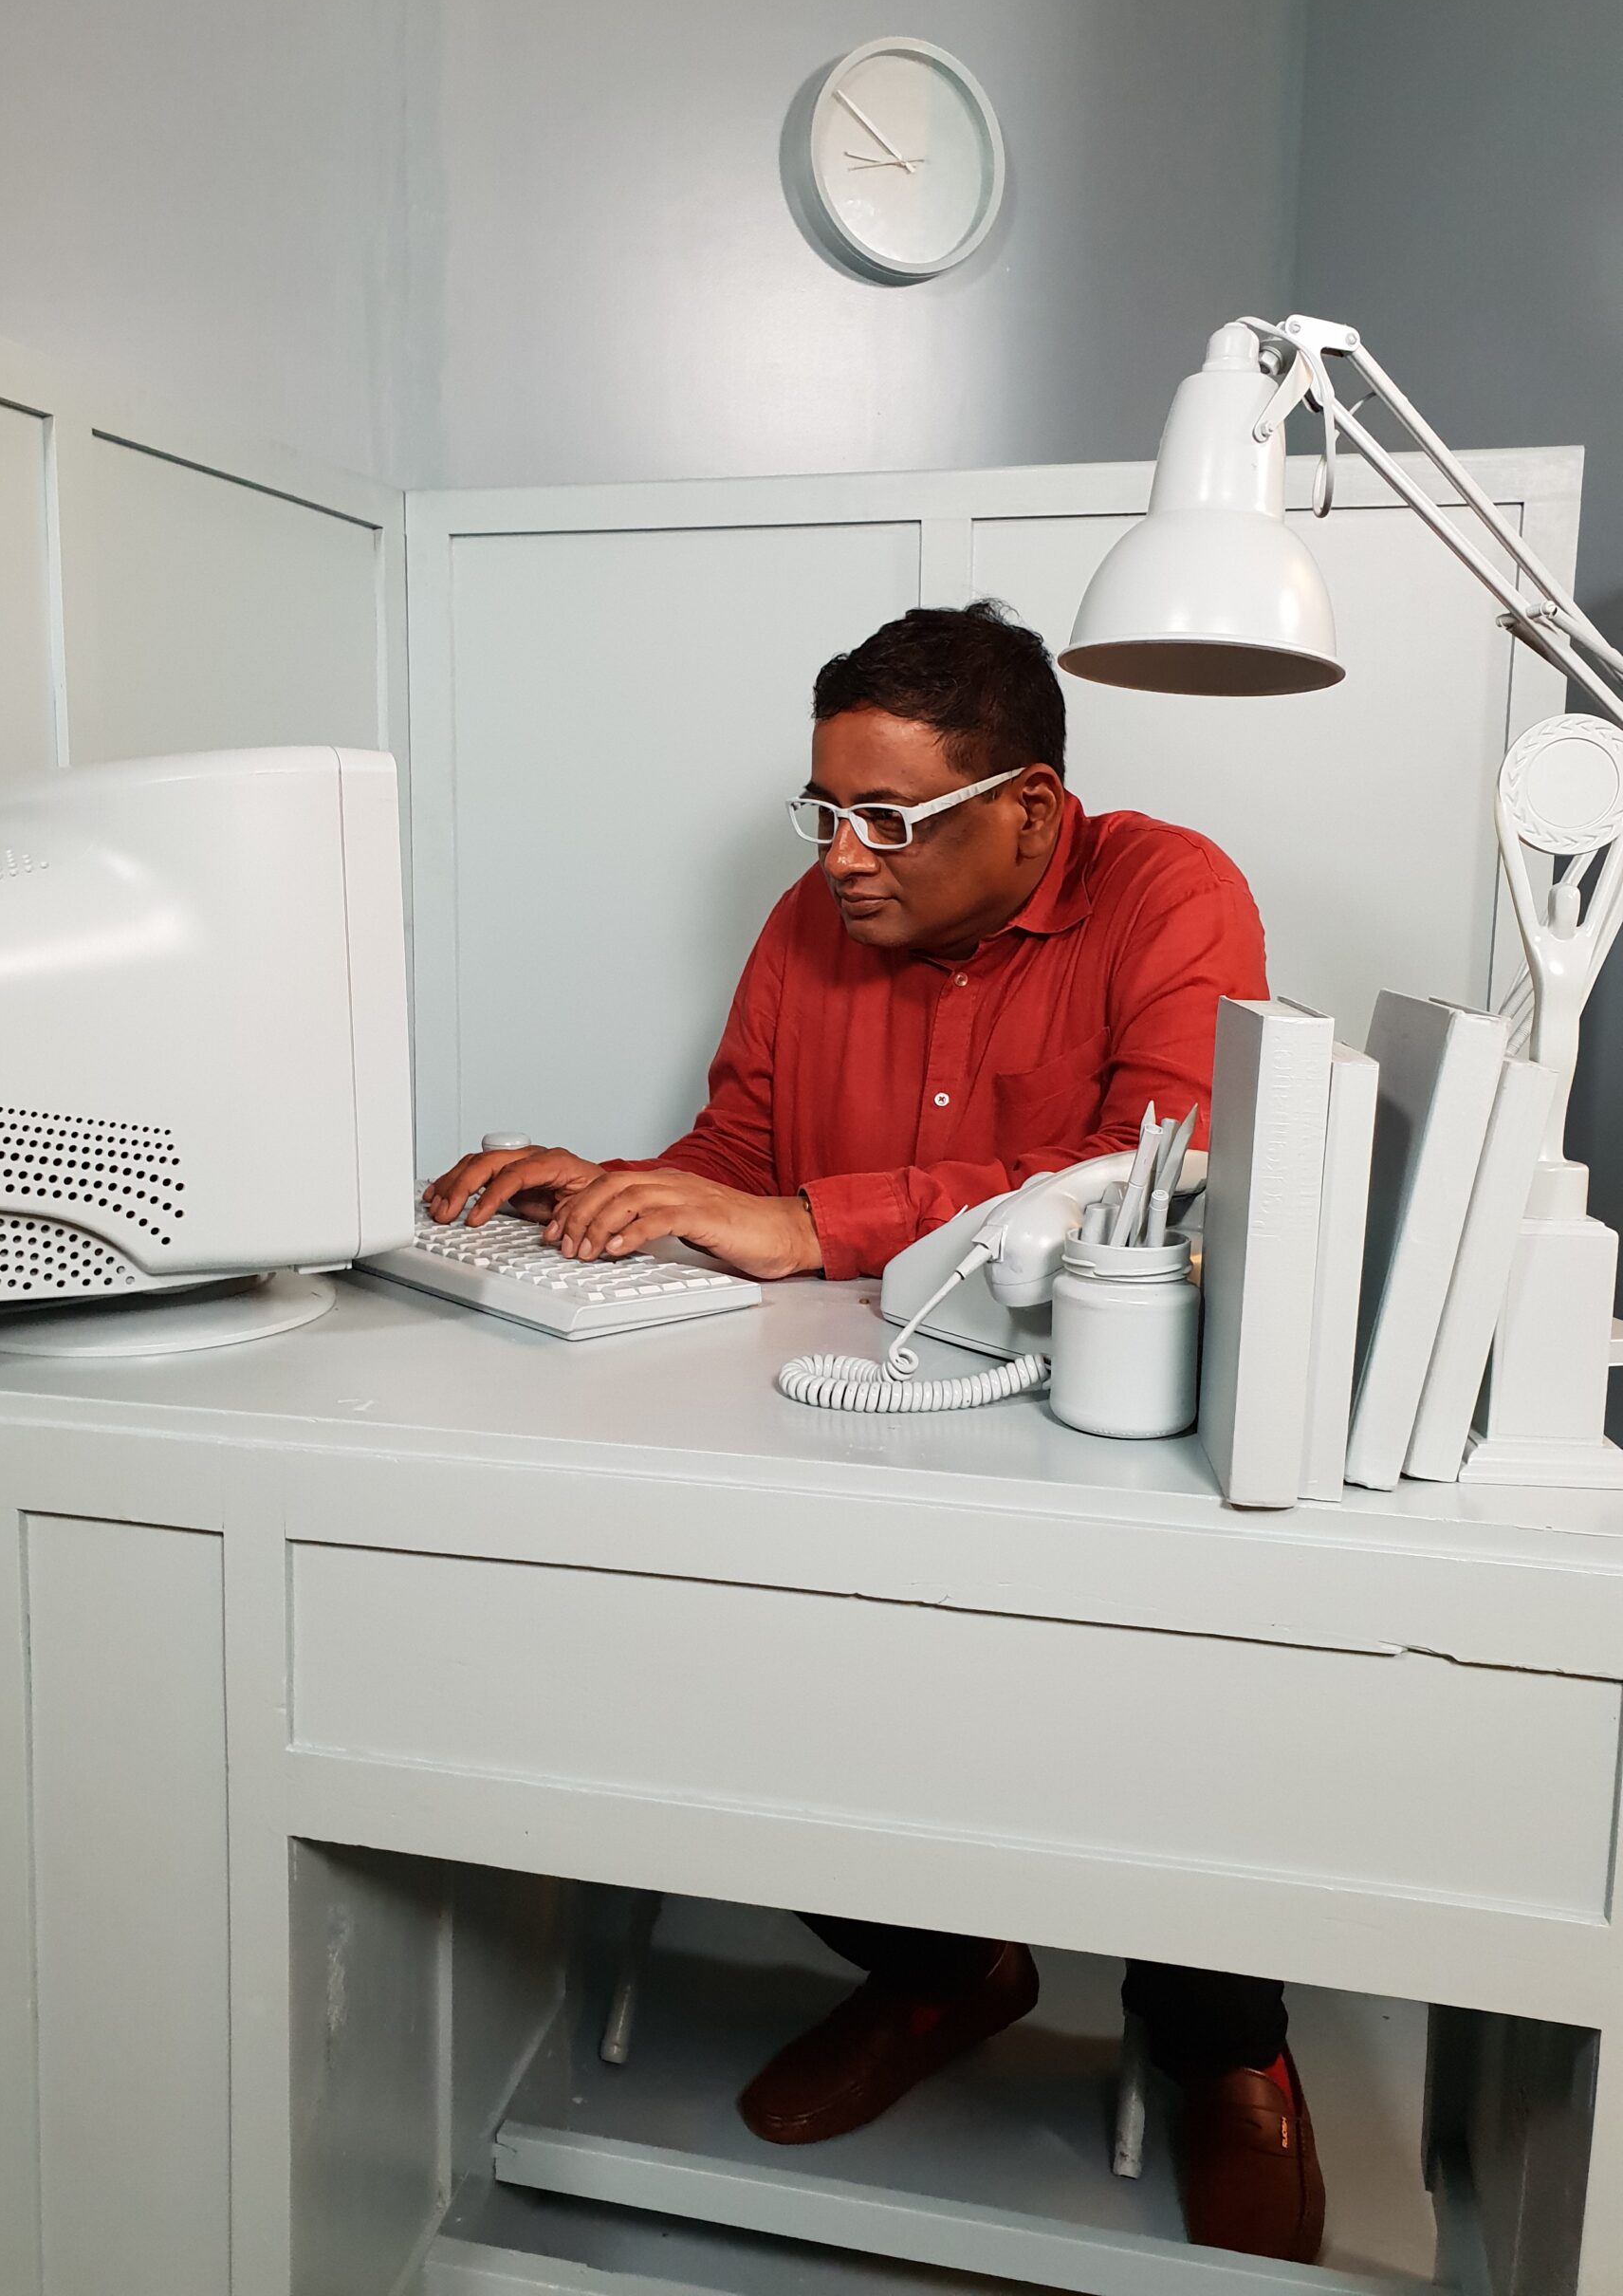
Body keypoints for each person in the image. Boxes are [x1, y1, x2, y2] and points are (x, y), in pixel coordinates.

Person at [425, 600, 1322, 2266]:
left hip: (1098, 1436)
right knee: (744, 1678)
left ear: (1031, 807)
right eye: (827, 812)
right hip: (861, 1426)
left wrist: (811, 1221)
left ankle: (1224, 2047)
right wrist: (617, 1197)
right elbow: (735, 1158)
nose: (846, 858)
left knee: (1172, 1704)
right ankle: (942, 1967)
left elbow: (1169, 1167)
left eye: (891, 820)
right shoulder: (805, 922)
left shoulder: (1168, 888)